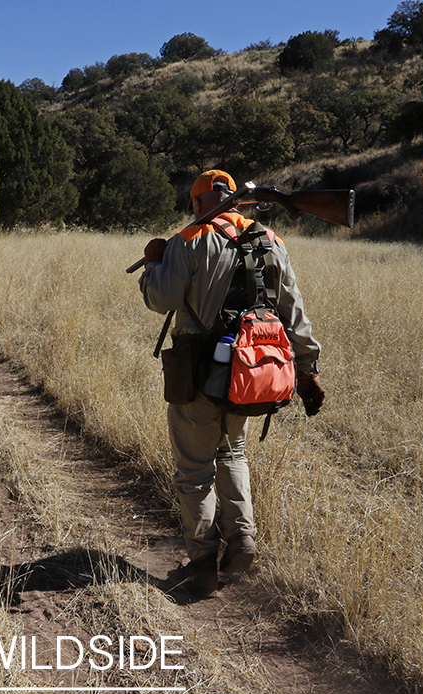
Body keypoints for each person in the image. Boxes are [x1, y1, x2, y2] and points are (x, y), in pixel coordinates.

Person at [139, 169, 325, 598]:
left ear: (196, 203)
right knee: (233, 452)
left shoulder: (190, 239)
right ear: (234, 200)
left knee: (194, 470)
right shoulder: (272, 241)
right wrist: (307, 370)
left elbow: (160, 299)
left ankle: (203, 563)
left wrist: (153, 262)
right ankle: (242, 540)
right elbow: (293, 311)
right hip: (252, 373)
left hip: (199, 374)